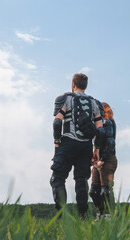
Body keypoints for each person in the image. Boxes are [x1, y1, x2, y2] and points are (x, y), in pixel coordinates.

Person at [50, 73, 104, 219]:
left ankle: (62, 216)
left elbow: (57, 122)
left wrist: (56, 142)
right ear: (85, 86)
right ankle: (83, 216)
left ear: (73, 84)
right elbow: (100, 130)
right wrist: (96, 149)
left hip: (67, 142)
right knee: (81, 180)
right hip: (85, 145)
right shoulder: (95, 103)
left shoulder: (65, 99)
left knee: (58, 178)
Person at [89, 102, 117, 219]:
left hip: (108, 159)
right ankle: (100, 214)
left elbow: (110, 142)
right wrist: (94, 161)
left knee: (105, 190)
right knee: (93, 191)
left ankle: (110, 217)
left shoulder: (107, 123)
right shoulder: (98, 124)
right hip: (98, 162)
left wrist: (102, 160)